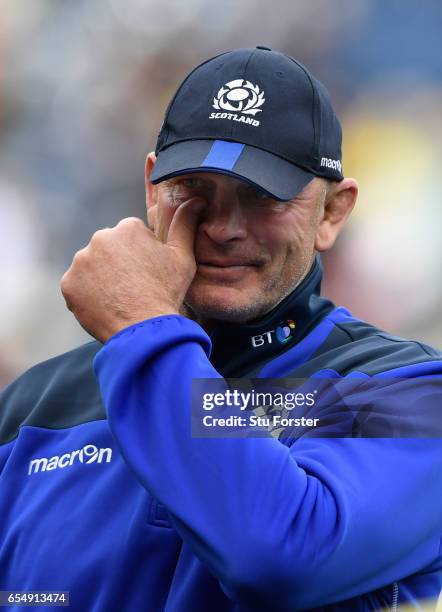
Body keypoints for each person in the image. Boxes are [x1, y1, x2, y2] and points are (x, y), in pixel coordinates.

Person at [0, 47, 441, 611]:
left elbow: (280, 556)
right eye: (194, 189)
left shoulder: (412, 395)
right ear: (150, 187)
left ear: (332, 212)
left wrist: (144, 324)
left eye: (263, 196)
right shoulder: (32, 410)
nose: (225, 227)